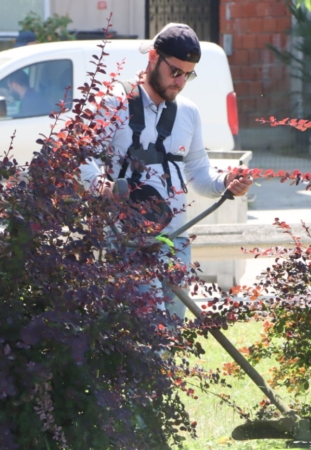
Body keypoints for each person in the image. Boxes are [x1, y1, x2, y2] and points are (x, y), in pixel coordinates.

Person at [79, 23, 253, 322]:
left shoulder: (188, 112)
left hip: (175, 239)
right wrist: (101, 187)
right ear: (153, 59)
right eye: (175, 71)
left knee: (171, 329)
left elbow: (198, 173)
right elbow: (79, 155)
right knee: (145, 327)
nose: (181, 81)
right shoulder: (112, 103)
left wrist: (226, 182)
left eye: (188, 74)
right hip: (126, 238)